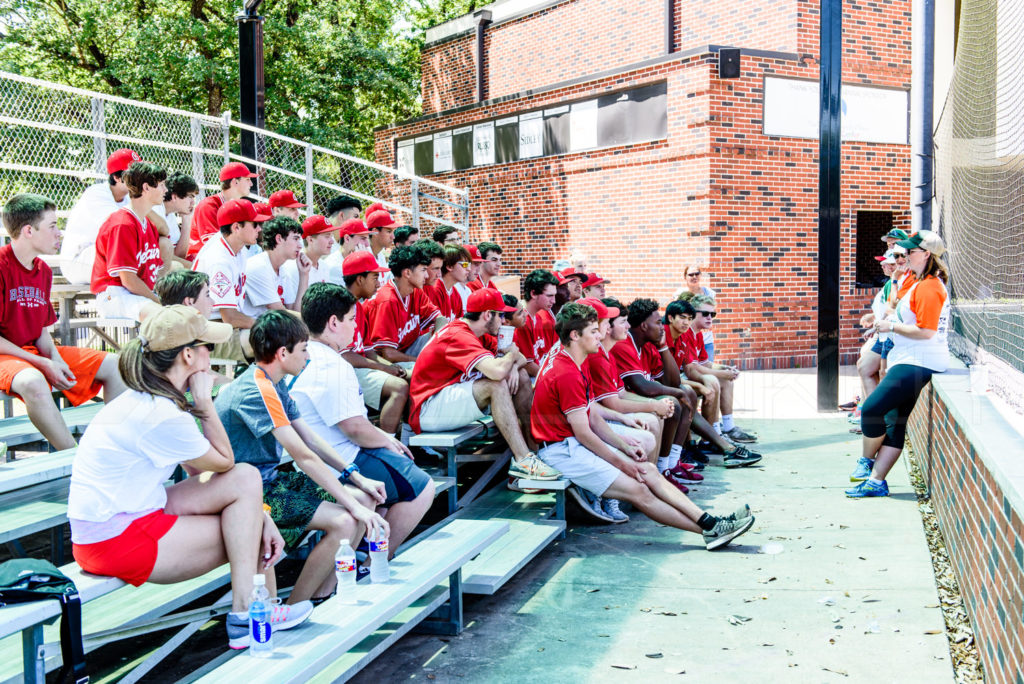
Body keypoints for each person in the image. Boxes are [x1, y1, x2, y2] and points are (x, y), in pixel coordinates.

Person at [66, 305, 313, 648]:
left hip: (113, 522)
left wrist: (260, 512)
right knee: (246, 518)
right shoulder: (162, 411)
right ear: (187, 355)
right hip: (115, 538)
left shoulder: (153, 400)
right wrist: (204, 402)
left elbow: (210, 474)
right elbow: (224, 461)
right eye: (207, 348)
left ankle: (258, 609)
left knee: (246, 486)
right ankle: (249, 614)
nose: (211, 355)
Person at [532, 303, 755, 549]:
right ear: (575, 335)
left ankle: (711, 522)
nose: (600, 334)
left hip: (572, 443)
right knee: (639, 490)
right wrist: (623, 462)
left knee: (648, 470)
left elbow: (593, 414)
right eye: (594, 331)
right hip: (560, 451)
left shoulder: (576, 358)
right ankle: (710, 529)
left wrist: (624, 446)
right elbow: (584, 432)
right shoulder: (566, 371)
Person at [215, 310, 389, 603]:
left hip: (270, 481)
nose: (308, 357)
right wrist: (352, 506)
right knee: (346, 520)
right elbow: (303, 455)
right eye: (305, 349)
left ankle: (325, 595)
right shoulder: (257, 388)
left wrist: (356, 477)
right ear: (283, 353)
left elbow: (311, 438)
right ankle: (299, 605)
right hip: (253, 495)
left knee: (364, 497)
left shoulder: (273, 381)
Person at [292, 283, 434, 556]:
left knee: (385, 486)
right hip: (337, 463)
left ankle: (365, 551)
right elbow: (354, 429)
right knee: (424, 487)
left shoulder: (300, 353)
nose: (356, 327)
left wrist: (385, 441)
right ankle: (377, 559)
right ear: (333, 322)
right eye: (352, 319)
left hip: (316, 460)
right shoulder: (334, 365)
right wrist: (390, 442)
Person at [0, 194, 126, 449]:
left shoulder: (43, 270)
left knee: (116, 365)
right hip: (5, 354)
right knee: (33, 381)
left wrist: (55, 359)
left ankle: (110, 446)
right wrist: (43, 363)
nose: (60, 233)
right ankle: (74, 459)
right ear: (28, 231)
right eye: (52, 226)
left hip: (31, 353)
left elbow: (40, 332)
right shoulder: (2, 266)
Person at [408, 289, 560, 480]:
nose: (504, 320)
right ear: (488, 314)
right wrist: (511, 355)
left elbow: (521, 359)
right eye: (501, 315)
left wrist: (513, 365)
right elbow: (499, 369)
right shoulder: (457, 334)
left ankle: (534, 454)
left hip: (448, 397)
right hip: (428, 408)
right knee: (495, 385)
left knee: (520, 376)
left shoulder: (478, 333)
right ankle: (522, 460)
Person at [847, 231, 950, 497]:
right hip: (909, 359)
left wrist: (890, 325)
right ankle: (876, 481)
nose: (903, 256)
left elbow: (926, 332)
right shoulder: (918, 281)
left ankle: (867, 460)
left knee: (871, 409)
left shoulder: (929, 286)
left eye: (909, 252)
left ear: (926, 254)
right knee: (894, 421)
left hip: (919, 361)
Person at [612, 299, 762, 469]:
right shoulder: (624, 345)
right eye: (658, 322)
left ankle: (677, 460)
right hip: (625, 401)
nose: (662, 327)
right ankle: (666, 466)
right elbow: (643, 386)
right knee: (678, 399)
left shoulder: (651, 345)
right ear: (645, 326)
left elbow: (673, 381)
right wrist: (681, 391)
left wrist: (662, 348)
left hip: (639, 395)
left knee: (685, 392)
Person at [192, 199, 271, 361]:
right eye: (254, 224)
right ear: (236, 227)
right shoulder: (220, 260)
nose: (259, 229)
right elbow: (230, 317)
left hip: (223, 325)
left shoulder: (238, 248)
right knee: (272, 337)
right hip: (205, 335)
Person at [341, 251, 410, 435]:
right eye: (374, 277)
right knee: (399, 387)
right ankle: (387, 446)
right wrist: (385, 369)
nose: (379, 283)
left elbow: (369, 350)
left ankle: (411, 440)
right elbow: (346, 356)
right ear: (360, 280)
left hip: (361, 367)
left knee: (409, 376)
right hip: (345, 370)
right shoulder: (341, 307)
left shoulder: (359, 306)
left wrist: (390, 366)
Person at [91, 162, 170, 320]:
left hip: (134, 294)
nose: (165, 190)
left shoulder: (147, 224)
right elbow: (128, 280)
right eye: (161, 185)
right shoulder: (123, 224)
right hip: (114, 295)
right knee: (166, 316)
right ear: (146, 188)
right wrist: (159, 302)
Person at [678, 295, 757, 443]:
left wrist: (725, 368)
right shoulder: (687, 333)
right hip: (680, 379)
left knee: (725, 381)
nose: (710, 318)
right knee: (714, 380)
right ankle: (713, 436)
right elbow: (692, 368)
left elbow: (705, 363)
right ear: (694, 313)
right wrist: (721, 373)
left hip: (689, 376)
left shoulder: (699, 335)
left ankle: (728, 427)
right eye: (706, 314)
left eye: (712, 314)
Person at [59, 148, 140, 284]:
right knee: (123, 246)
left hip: (101, 255)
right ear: (117, 177)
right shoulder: (97, 193)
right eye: (134, 174)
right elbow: (120, 229)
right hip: (78, 261)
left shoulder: (127, 198)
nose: (140, 178)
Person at [367, 244, 448, 365]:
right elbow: (387, 354)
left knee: (446, 335)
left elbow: (440, 319)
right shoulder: (387, 301)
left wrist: (438, 343)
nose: (426, 276)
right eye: (423, 270)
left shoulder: (415, 291)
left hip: (407, 349)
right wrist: (422, 361)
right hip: (385, 360)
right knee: (430, 368)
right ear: (407, 273)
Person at [242, 216, 310, 317]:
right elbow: (283, 315)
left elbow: (295, 311)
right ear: (279, 239)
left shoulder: (282, 270)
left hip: (269, 328)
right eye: (295, 239)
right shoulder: (258, 266)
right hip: (247, 330)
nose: (300, 246)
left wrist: (304, 274)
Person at [187, 162, 257, 259]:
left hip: (225, 257)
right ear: (235, 182)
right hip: (200, 260)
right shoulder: (208, 205)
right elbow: (212, 244)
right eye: (247, 179)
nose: (251, 183)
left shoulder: (238, 206)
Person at [513, 269, 559, 377]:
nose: (554, 301)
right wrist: (551, 379)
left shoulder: (538, 317)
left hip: (539, 375)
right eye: (549, 296)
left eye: (554, 295)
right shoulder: (522, 320)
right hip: (529, 379)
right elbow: (528, 365)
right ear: (533, 293)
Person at [679, 264, 717, 361]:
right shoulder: (680, 294)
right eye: (691, 274)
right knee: (692, 367)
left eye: (697, 274)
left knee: (708, 366)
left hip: (706, 338)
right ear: (685, 277)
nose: (694, 277)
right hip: (687, 337)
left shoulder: (709, 292)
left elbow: (712, 312)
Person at [431, 244, 471, 319]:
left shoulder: (455, 294)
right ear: (449, 266)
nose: (469, 269)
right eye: (465, 264)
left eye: (469, 265)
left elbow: (459, 324)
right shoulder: (436, 290)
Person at [366, 210, 399, 284]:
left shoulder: (380, 254)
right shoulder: (364, 257)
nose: (393, 237)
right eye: (389, 231)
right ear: (375, 232)